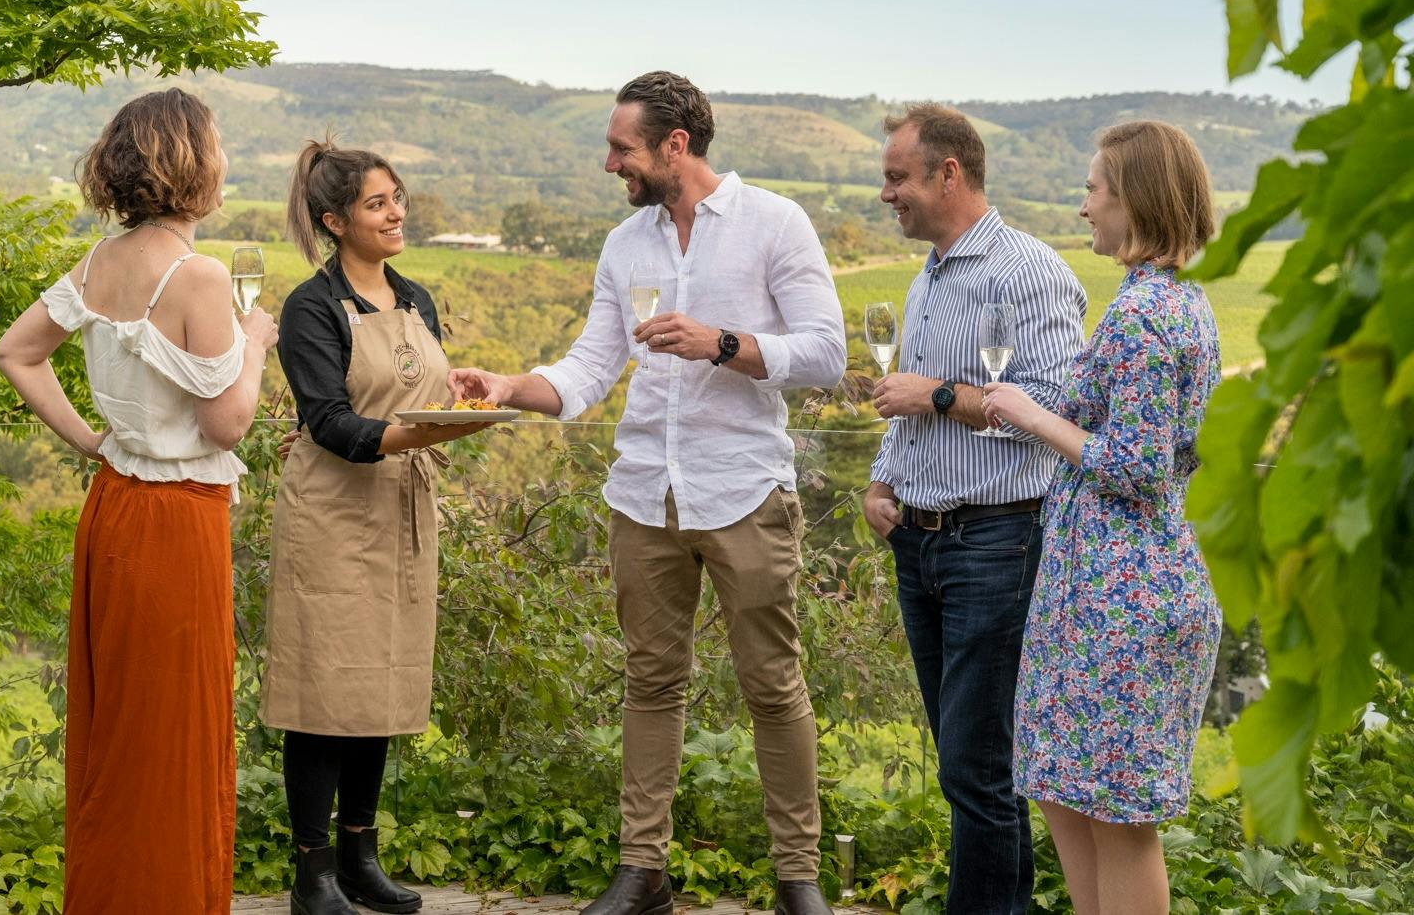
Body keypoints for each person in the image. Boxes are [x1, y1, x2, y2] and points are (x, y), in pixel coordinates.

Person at [450, 71, 845, 915]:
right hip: (643, 494)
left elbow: (825, 353)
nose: (608, 162)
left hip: (745, 488)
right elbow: (590, 369)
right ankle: (643, 873)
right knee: (650, 683)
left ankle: (798, 879)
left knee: (772, 685)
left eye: (621, 147)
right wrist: (508, 384)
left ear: (675, 144)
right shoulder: (626, 244)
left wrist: (723, 342)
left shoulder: (776, 222)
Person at [0, 88, 276, 915]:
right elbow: (226, 424)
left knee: (119, 731)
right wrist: (256, 345)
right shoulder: (199, 275)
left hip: (113, 507)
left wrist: (92, 442)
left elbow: (17, 352)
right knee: (173, 734)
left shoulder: (99, 264)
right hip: (178, 521)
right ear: (193, 162)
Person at [982, 121, 1223, 915]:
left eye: (1094, 189)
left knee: (1118, 815)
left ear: (1135, 199)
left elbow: (1137, 466)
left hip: (1123, 596)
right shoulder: (1167, 301)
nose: (1083, 205)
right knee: (1063, 790)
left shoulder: (1148, 314)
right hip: (1093, 585)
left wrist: (1027, 415)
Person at [860, 103, 1086, 915]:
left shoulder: (1029, 270)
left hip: (996, 539)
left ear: (946, 172)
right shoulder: (933, 270)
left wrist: (942, 394)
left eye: (896, 176)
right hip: (921, 543)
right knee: (970, 762)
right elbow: (912, 396)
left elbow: (1058, 405)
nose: (886, 193)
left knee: (978, 764)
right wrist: (884, 478)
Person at [265, 139, 498, 915]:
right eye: (376, 202)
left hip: (402, 511)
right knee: (325, 691)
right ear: (335, 220)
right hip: (332, 516)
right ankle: (313, 872)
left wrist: (456, 398)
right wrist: (419, 434)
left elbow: (422, 387)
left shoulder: (418, 297)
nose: (396, 211)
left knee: (383, 684)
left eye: (397, 196)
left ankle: (362, 857)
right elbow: (327, 421)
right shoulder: (311, 306)